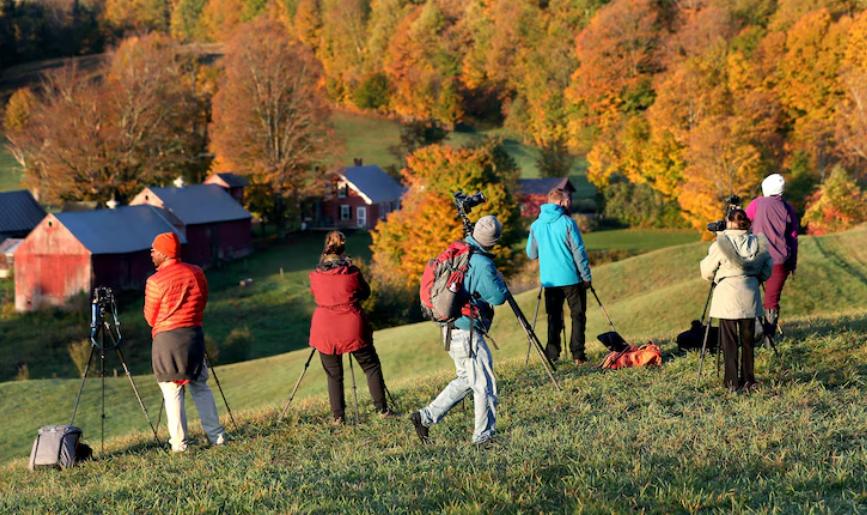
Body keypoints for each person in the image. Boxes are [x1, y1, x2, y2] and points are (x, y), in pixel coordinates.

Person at [411, 215, 509, 446]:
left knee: (466, 378)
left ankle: (425, 417)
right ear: (493, 241)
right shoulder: (483, 264)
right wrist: (501, 281)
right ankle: (483, 437)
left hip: (450, 329)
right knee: (484, 385)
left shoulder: (460, 250)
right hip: (468, 332)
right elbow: (497, 297)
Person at [144, 232, 227, 452]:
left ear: (163, 253)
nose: (151, 253)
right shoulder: (196, 272)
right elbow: (202, 301)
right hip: (193, 335)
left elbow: (150, 317)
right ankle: (216, 436)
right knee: (200, 385)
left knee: (172, 391)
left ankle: (179, 444)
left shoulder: (155, 281)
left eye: (153, 250)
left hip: (167, 340)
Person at [309, 231, 395, 424]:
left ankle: (338, 417)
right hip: (352, 326)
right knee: (371, 366)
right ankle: (382, 409)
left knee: (334, 374)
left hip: (325, 329)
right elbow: (366, 292)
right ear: (343, 250)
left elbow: (315, 294)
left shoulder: (315, 275)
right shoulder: (352, 272)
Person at [700, 209, 772, 392]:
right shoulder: (757, 242)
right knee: (748, 342)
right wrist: (755, 279)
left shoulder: (720, 244)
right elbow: (767, 269)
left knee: (729, 342)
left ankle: (731, 382)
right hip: (750, 296)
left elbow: (707, 271)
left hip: (727, 298)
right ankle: (749, 379)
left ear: (729, 222)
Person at [526, 188, 593, 365]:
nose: (570, 203)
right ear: (562, 202)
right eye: (568, 200)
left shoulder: (536, 225)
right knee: (577, 315)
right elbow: (579, 252)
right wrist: (586, 276)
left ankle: (553, 354)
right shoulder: (568, 223)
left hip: (549, 280)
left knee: (553, 317)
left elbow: (531, 254)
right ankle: (578, 355)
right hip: (572, 278)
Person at [745, 173, 799, 337]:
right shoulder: (788, 208)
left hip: (757, 258)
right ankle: (769, 338)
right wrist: (793, 263)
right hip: (780, 261)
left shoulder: (756, 204)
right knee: (772, 300)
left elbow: (742, 223)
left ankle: (754, 330)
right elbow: (793, 237)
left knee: (749, 292)